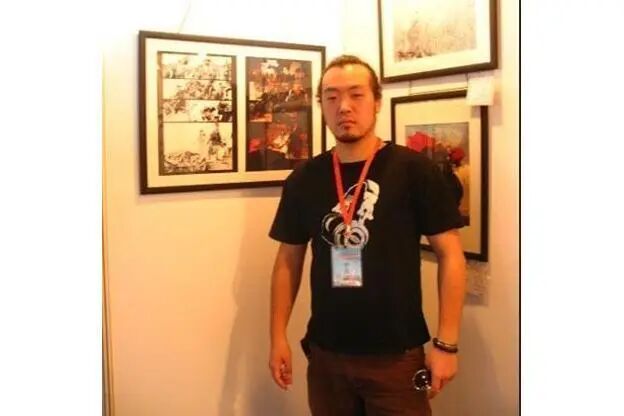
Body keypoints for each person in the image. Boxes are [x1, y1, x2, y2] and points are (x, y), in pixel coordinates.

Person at [268, 55, 467, 416]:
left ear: (376, 101)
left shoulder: (414, 170)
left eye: (356, 95)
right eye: (331, 97)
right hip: (326, 355)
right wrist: (277, 335)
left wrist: (447, 344)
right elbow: (288, 259)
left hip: (396, 356)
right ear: (322, 106)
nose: (343, 107)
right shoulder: (304, 179)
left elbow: (451, 254)